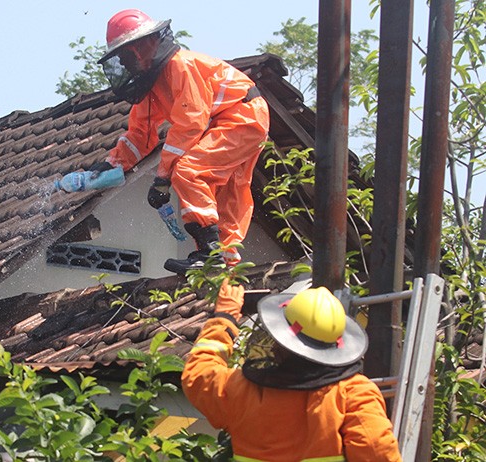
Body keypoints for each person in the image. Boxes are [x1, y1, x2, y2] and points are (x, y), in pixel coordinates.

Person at [89, 9, 271, 275]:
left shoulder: (180, 66)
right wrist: (112, 163)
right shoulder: (152, 85)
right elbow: (141, 133)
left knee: (189, 171)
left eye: (126, 55)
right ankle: (222, 261)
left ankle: (210, 255)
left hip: (242, 117)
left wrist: (163, 178)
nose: (126, 63)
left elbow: (190, 124)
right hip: (233, 120)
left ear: (142, 47)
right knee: (224, 190)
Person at [182, 281, 402, 461]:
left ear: (280, 339)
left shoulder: (241, 390)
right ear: (338, 344)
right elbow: (377, 451)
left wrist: (224, 319)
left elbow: (198, 375)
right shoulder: (354, 394)